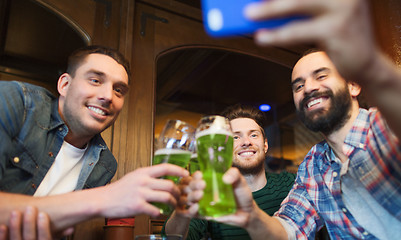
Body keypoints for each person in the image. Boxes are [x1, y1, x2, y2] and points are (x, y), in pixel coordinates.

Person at [185, 0, 401, 239]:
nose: (308, 88)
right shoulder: (314, 164)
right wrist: (251, 215)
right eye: (298, 85)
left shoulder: (384, 126)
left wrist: (370, 65)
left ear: (353, 84)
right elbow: (290, 230)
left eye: (321, 75)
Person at [0, 45, 188, 239]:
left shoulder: (105, 164)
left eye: (119, 90)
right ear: (65, 85)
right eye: (95, 80)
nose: (108, 96)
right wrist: (105, 198)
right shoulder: (16, 102)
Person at [163, 104, 295, 239]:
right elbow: (174, 237)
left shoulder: (291, 184)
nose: (246, 142)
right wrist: (181, 211)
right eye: (236, 137)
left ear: (265, 145)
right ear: (224, 148)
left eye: (254, 135)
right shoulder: (211, 192)